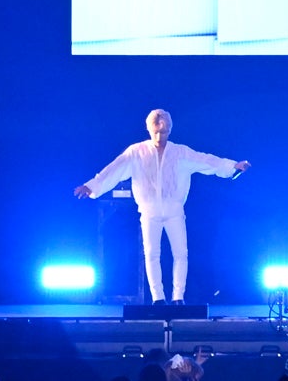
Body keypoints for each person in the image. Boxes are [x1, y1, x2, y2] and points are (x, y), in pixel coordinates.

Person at [74, 109, 250, 305]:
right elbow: (113, 169)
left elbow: (206, 160)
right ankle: (158, 297)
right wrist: (91, 186)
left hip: (174, 209)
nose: (159, 137)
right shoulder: (136, 152)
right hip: (149, 210)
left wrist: (232, 166)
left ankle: (178, 297)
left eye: (163, 133)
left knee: (181, 253)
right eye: (156, 132)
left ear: (169, 131)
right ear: (149, 130)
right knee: (151, 254)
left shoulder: (180, 152)